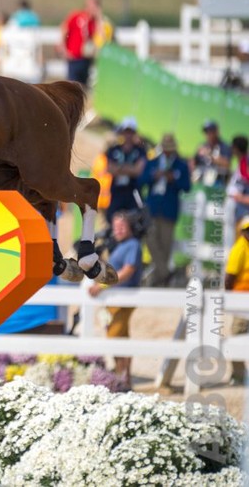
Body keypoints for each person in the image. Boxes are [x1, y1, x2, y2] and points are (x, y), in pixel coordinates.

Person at [88, 211, 143, 391]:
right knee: (119, 336)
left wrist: (103, 285)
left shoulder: (133, 245)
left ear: (130, 228)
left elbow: (128, 271)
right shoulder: (119, 246)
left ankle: (123, 377)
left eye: (122, 227)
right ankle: (123, 377)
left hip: (124, 298)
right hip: (115, 298)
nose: (118, 230)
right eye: (116, 227)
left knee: (115, 336)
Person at [140, 133, 191, 287]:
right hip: (153, 208)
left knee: (165, 245)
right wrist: (153, 176)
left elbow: (186, 186)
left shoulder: (181, 165)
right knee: (150, 239)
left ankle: (159, 280)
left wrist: (173, 179)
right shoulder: (153, 162)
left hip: (169, 210)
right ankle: (166, 274)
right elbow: (141, 180)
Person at [105, 116, 147, 226]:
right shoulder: (114, 149)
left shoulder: (140, 151)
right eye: (126, 131)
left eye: (130, 132)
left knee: (132, 225)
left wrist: (120, 168)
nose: (128, 135)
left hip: (133, 193)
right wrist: (129, 168)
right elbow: (109, 169)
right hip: (116, 193)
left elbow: (138, 170)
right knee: (113, 224)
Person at [59, 0, 103, 87]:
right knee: (72, 87)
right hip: (74, 57)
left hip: (86, 58)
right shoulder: (77, 15)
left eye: (94, 5)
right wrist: (63, 48)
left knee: (83, 87)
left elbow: (101, 36)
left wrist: (99, 17)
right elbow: (64, 29)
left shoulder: (94, 22)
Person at [225, 215, 249, 385]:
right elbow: (230, 277)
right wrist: (230, 299)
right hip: (241, 298)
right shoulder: (240, 248)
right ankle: (238, 374)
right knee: (239, 334)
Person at [191, 120, 231, 189]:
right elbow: (193, 161)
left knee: (209, 176)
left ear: (216, 132)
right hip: (200, 176)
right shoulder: (202, 145)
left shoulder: (224, 147)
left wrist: (209, 154)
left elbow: (227, 163)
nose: (208, 134)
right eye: (206, 132)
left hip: (216, 178)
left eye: (210, 131)